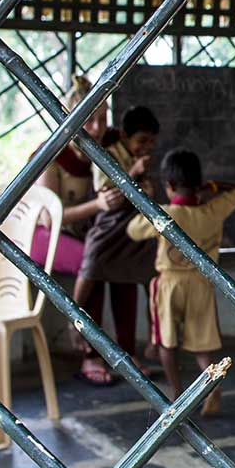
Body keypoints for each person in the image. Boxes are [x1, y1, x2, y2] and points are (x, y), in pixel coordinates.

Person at [126, 149, 235, 417]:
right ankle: (212, 391)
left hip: (169, 284)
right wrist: (213, 187)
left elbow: (132, 230)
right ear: (199, 183)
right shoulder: (212, 211)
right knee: (203, 344)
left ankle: (177, 394)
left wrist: (149, 202)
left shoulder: (164, 213)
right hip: (201, 283)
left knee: (166, 343)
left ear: (168, 186)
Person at [34, 76, 128, 385]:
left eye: (103, 119)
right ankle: (90, 353)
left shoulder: (111, 145)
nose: (98, 128)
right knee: (95, 262)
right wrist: (98, 206)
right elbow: (50, 218)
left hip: (84, 233)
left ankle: (127, 349)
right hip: (43, 236)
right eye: (89, 120)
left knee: (123, 255)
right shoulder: (51, 152)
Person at [73, 105, 160, 380]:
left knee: (134, 282)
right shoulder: (108, 153)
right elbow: (108, 195)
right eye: (141, 141)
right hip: (108, 225)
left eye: (150, 143)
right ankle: (76, 327)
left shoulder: (134, 155)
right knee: (91, 270)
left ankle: (132, 349)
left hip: (131, 228)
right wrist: (133, 172)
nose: (146, 147)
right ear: (124, 134)